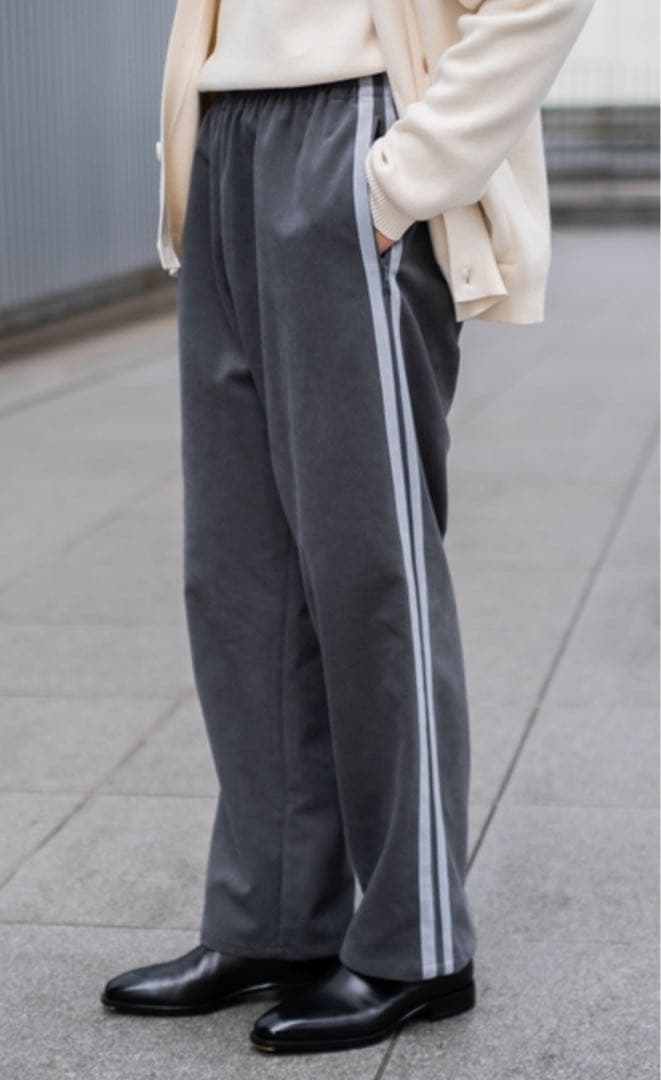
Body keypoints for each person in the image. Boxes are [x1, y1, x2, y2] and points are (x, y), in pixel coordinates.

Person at [101, 0, 595, 1054]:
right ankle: (274, 920)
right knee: (239, 577)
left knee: (370, 570)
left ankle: (417, 944)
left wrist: (403, 177)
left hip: (352, 135)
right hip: (226, 140)